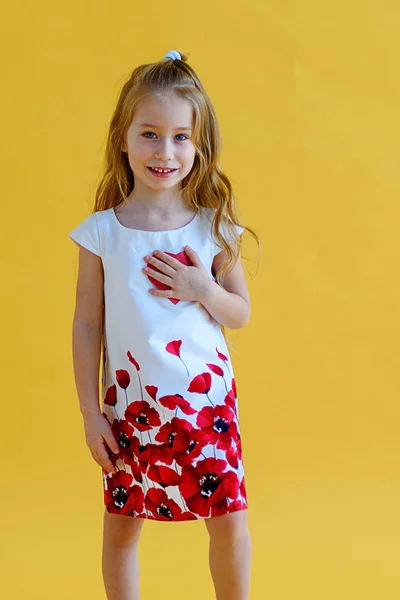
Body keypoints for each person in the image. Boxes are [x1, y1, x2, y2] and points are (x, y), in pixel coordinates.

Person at [68, 49, 260, 600]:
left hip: (206, 408)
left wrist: (205, 290)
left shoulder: (213, 227)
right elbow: (86, 324)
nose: (165, 151)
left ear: (198, 146)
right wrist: (90, 414)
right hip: (132, 407)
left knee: (228, 521)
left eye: (180, 137)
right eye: (150, 134)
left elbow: (240, 314)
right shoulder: (102, 233)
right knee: (123, 527)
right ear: (123, 139)